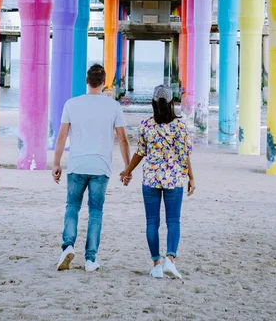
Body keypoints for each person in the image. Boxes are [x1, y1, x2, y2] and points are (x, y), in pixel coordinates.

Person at [52, 64, 130, 272]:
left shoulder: (72, 104)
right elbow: (123, 140)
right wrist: (127, 168)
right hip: (101, 166)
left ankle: (67, 246)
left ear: (87, 81)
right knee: (96, 211)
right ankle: (90, 259)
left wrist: (57, 163)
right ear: (104, 83)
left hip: (77, 164)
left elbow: (61, 136)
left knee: (72, 207)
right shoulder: (113, 106)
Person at [120, 85, 195, 279]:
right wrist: (191, 177)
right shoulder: (179, 127)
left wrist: (127, 171)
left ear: (153, 102)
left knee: (152, 222)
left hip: (151, 178)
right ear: (172, 103)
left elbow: (140, 153)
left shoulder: (146, 125)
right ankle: (170, 259)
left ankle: (156, 264)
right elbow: (184, 155)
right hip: (174, 178)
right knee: (173, 221)